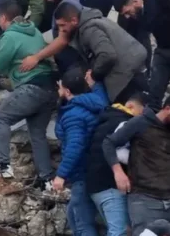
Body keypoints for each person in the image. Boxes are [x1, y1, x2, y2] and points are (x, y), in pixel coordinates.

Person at [102, 93, 170, 236]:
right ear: (167, 109)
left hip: (168, 199)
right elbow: (109, 143)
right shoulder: (141, 123)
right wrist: (118, 172)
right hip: (143, 198)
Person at [0, 0, 56, 189]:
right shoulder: (34, 30)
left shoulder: (9, 35)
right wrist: (2, 51)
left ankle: (3, 165)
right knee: (37, 134)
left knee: (0, 118)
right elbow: (23, 50)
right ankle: (46, 180)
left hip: (31, 88)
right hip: (49, 89)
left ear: (2, 18)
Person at [115, 0, 170, 110]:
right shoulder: (132, 17)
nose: (127, 16)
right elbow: (129, 38)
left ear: (136, 1)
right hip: (162, 50)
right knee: (154, 92)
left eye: (128, 12)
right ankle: (153, 118)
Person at [53, 3, 148, 104]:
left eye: (62, 25)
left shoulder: (88, 30)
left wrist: (93, 75)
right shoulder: (94, 21)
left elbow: (107, 55)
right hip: (131, 67)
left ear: (74, 21)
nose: (61, 30)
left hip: (125, 74)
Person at [54, 66, 109, 236]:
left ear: (67, 91)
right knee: (73, 214)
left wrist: (61, 175)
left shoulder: (73, 115)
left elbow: (75, 145)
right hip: (96, 170)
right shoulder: (97, 101)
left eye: (60, 87)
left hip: (81, 173)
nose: (58, 90)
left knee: (82, 225)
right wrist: (95, 83)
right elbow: (100, 96)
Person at [85, 94, 145, 236]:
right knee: (119, 232)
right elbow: (120, 153)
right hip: (110, 185)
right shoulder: (125, 123)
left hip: (95, 186)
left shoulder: (106, 119)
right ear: (131, 106)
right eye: (142, 112)